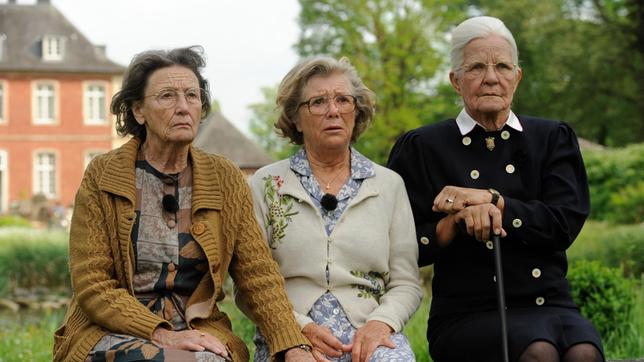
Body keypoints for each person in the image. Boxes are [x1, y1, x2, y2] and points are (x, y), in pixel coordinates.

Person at [53, 46, 314, 362]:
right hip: (111, 331)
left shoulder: (225, 177)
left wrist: (293, 345)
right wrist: (161, 334)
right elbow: (92, 284)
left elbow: (257, 274)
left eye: (192, 96)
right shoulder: (103, 174)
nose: (183, 107)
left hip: (199, 330)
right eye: (167, 96)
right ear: (138, 110)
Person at [387, 16, 604, 362]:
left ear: (516, 78)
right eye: (476, 67)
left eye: (502, 66)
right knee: (539, 353)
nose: (491, 77)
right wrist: (454, 224)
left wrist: (494, 201)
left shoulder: (552, 138)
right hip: (467, 311)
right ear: (456, 81)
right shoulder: (422, 147)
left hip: (548, 303)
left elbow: (563, 225)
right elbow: (396, 246)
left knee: (584, 353)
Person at [242, 56, 423, 362]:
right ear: (296, 118)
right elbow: (248, 284)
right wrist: (297, 329)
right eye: (318, 102)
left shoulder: (388, 184)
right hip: (289, 334)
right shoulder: (266, 183)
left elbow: (406, 283)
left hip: (368, 334)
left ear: (357, 110)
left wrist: (382, 323)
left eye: (343, 100)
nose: (333, 111)